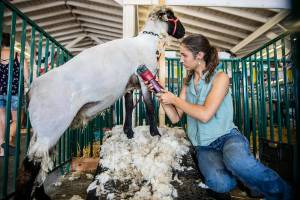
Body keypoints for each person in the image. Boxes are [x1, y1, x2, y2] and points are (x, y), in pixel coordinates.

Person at [145, 34, 293, 200]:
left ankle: (285, 194)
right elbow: (175, 117)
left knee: (238, 162)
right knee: (220, 183)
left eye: (184, 55)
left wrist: (174, 99)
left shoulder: (220, 77)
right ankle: (243, 178)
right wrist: (162, 96)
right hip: (204, 146)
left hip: (227, 137)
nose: (181, 59)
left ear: (199, 55)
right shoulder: (187, 83)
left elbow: (205, 114)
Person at [0, 33, 29, 157]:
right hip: (15, 92)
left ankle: (1, 150)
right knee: (17, 119)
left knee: (1, 119)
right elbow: (27, 76)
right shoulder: (18, 56)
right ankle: (9, 138)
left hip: (0, 92)